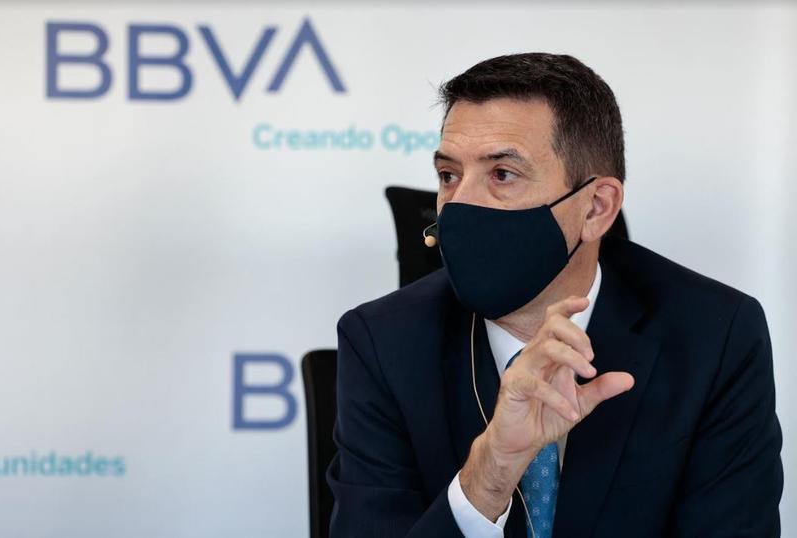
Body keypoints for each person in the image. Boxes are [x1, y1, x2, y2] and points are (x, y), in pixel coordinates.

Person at [327, 53, 783, 537]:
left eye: (502, 174)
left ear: (596, 208)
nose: (458, 206)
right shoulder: (384, 342)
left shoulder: (713, 335)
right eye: (448, 176)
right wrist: (489, 473)